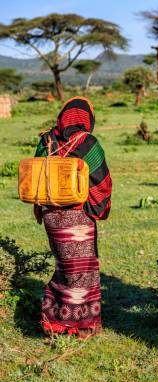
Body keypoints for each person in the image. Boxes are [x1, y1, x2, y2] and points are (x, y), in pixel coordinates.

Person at [33, 96, 112, 340]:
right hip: (78, 216)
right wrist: (97, 207)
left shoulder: (46, 140)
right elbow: (101, 179)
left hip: (52, 215)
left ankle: (55, 316)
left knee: (64, 267)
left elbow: (36, 177)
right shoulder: (87, 142)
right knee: (83, 270)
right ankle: (81, 324)